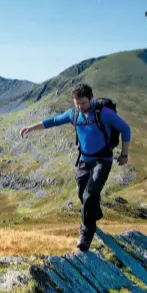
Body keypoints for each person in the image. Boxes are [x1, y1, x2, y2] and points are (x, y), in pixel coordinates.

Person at [19, 83, 131, 251]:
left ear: (91, 99)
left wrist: (124, 155)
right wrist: (31, 128)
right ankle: (94, 212)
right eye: (77, 103)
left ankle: (86, 234)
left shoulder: (104, 113)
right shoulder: (74, 114)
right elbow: (54, 121)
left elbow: (125, 129)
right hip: (85, 160)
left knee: (90, 194)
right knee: (82, 194)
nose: (80, 107)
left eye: (83, 103)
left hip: (103, 159)